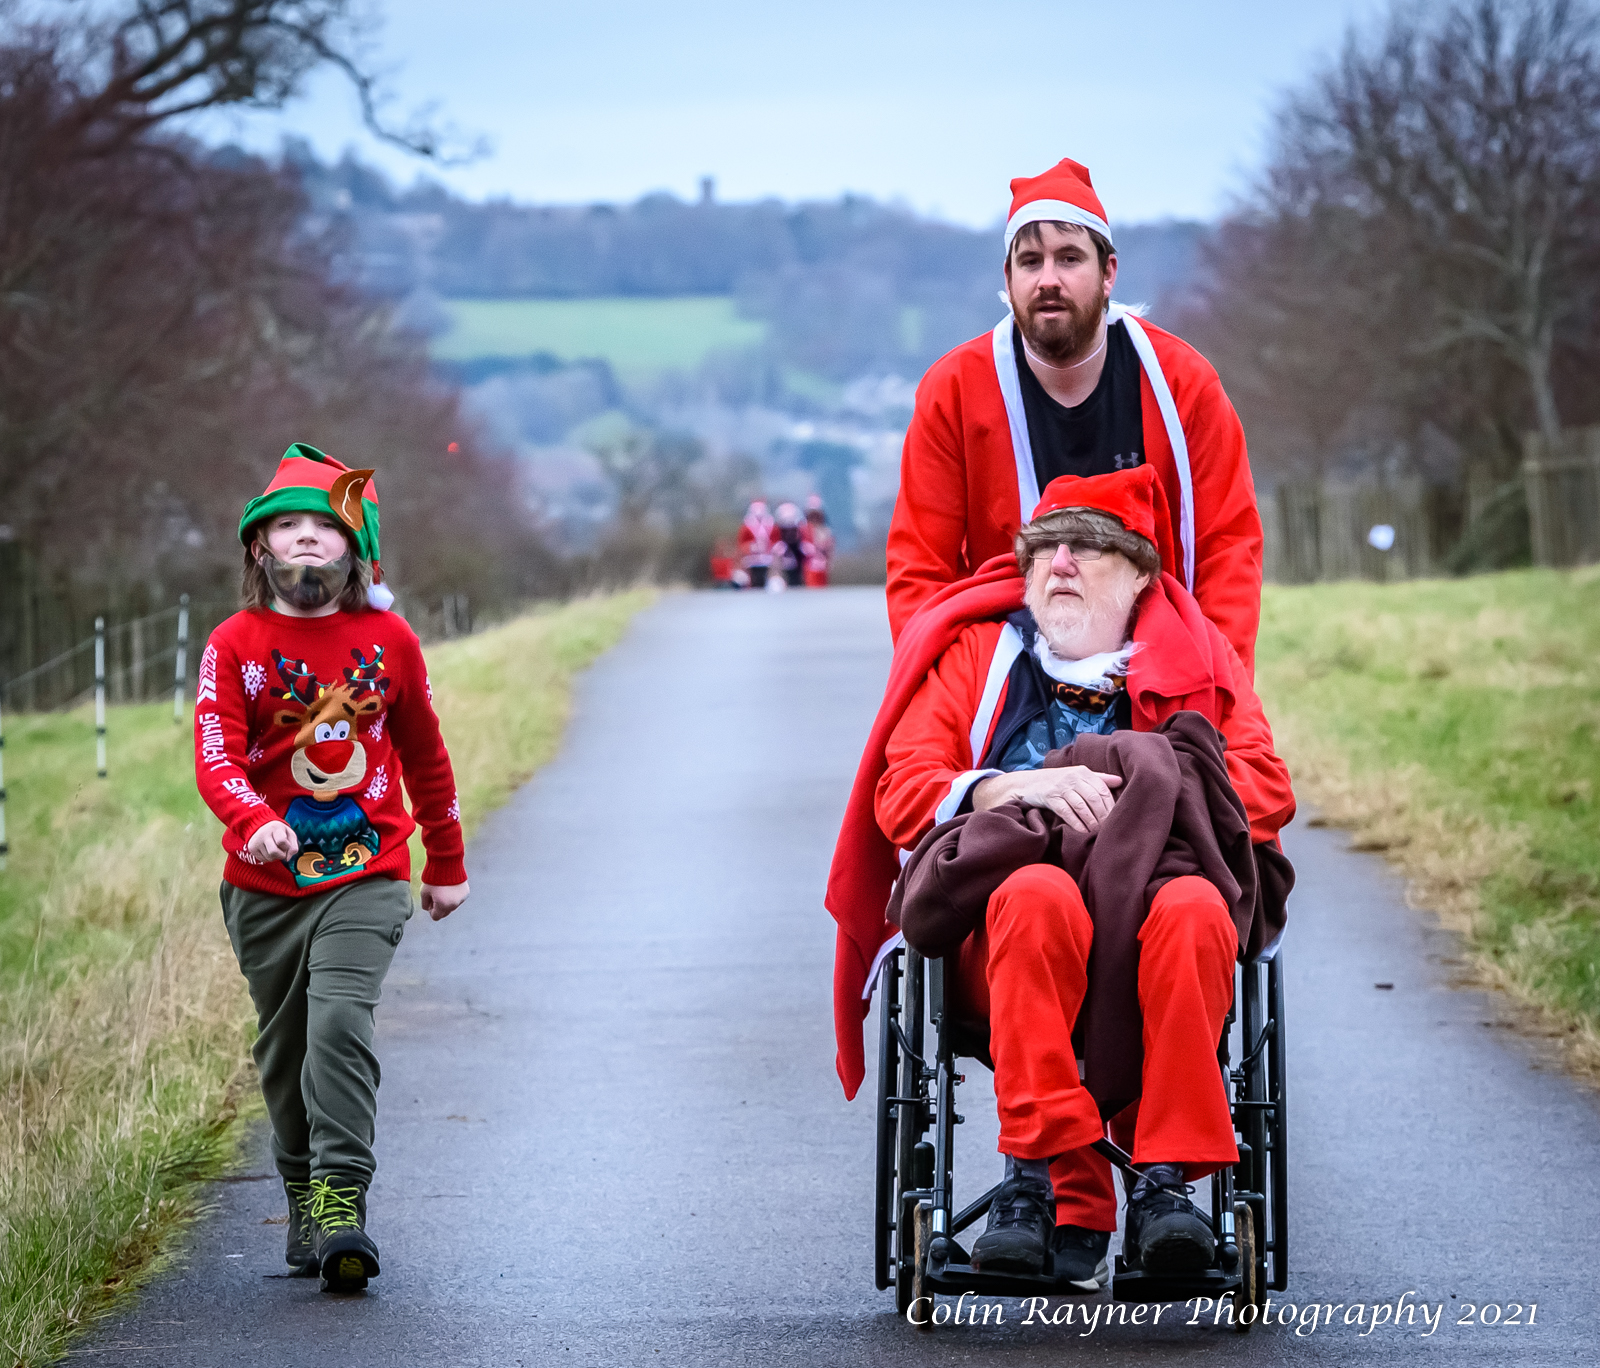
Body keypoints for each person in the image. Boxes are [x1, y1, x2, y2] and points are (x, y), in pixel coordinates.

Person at [827, 466, 1293, 1289]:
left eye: (1090, 547)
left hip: (1157, 914)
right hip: (999, 939)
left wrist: (1149, 789)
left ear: (1143, 572)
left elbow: (1263, 785)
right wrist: (1014, 788)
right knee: (1036, 897)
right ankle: (1034, 1182)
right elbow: (902, 791)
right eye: (1044, 549)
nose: (1061, 564)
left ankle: (1166, 1183)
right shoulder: (976, 655)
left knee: (1192, 908)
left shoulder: (1199, 658)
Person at [194, 444, 470, 1293]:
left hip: (368, 871)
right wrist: (254, 820)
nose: (306, 539)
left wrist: (445, 859)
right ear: (259, 550)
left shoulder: (389, 640)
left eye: (326, 526)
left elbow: (425, 752)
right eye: (287, 527)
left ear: (357, 552)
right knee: (283, 1051)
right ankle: (304, 1193)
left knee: (338, 1024)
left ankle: (345, 1203)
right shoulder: (234, 643)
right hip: (264, 890)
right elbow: (216, 755)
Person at [884, 157, 1264, 674]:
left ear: (1108, 272)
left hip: (1160, 664)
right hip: (1007, 672)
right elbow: (920, 571)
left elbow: (1228, 548)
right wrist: (948, 689)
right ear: (1008, 275)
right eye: (1030, 261)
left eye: (1068, 259)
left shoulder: (1184, 385)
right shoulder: (953, 391)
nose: (1048, 280)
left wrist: (1220, 689)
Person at [737, 499, 777, 588]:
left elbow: (776, 540)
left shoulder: (770, 525)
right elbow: (741, 543)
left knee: (768, 578)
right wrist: (750, 547)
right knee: (753, 580)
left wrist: (773, 547)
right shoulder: (747, 526)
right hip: (752, 558)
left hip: (767, 558)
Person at [803, 494, 835, 587]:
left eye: (816, 515)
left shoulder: (826, 531)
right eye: (812, 515)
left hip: (822, 567)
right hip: (808, 568)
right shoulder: (804, 530)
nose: (814, 518)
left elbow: (829, 550)